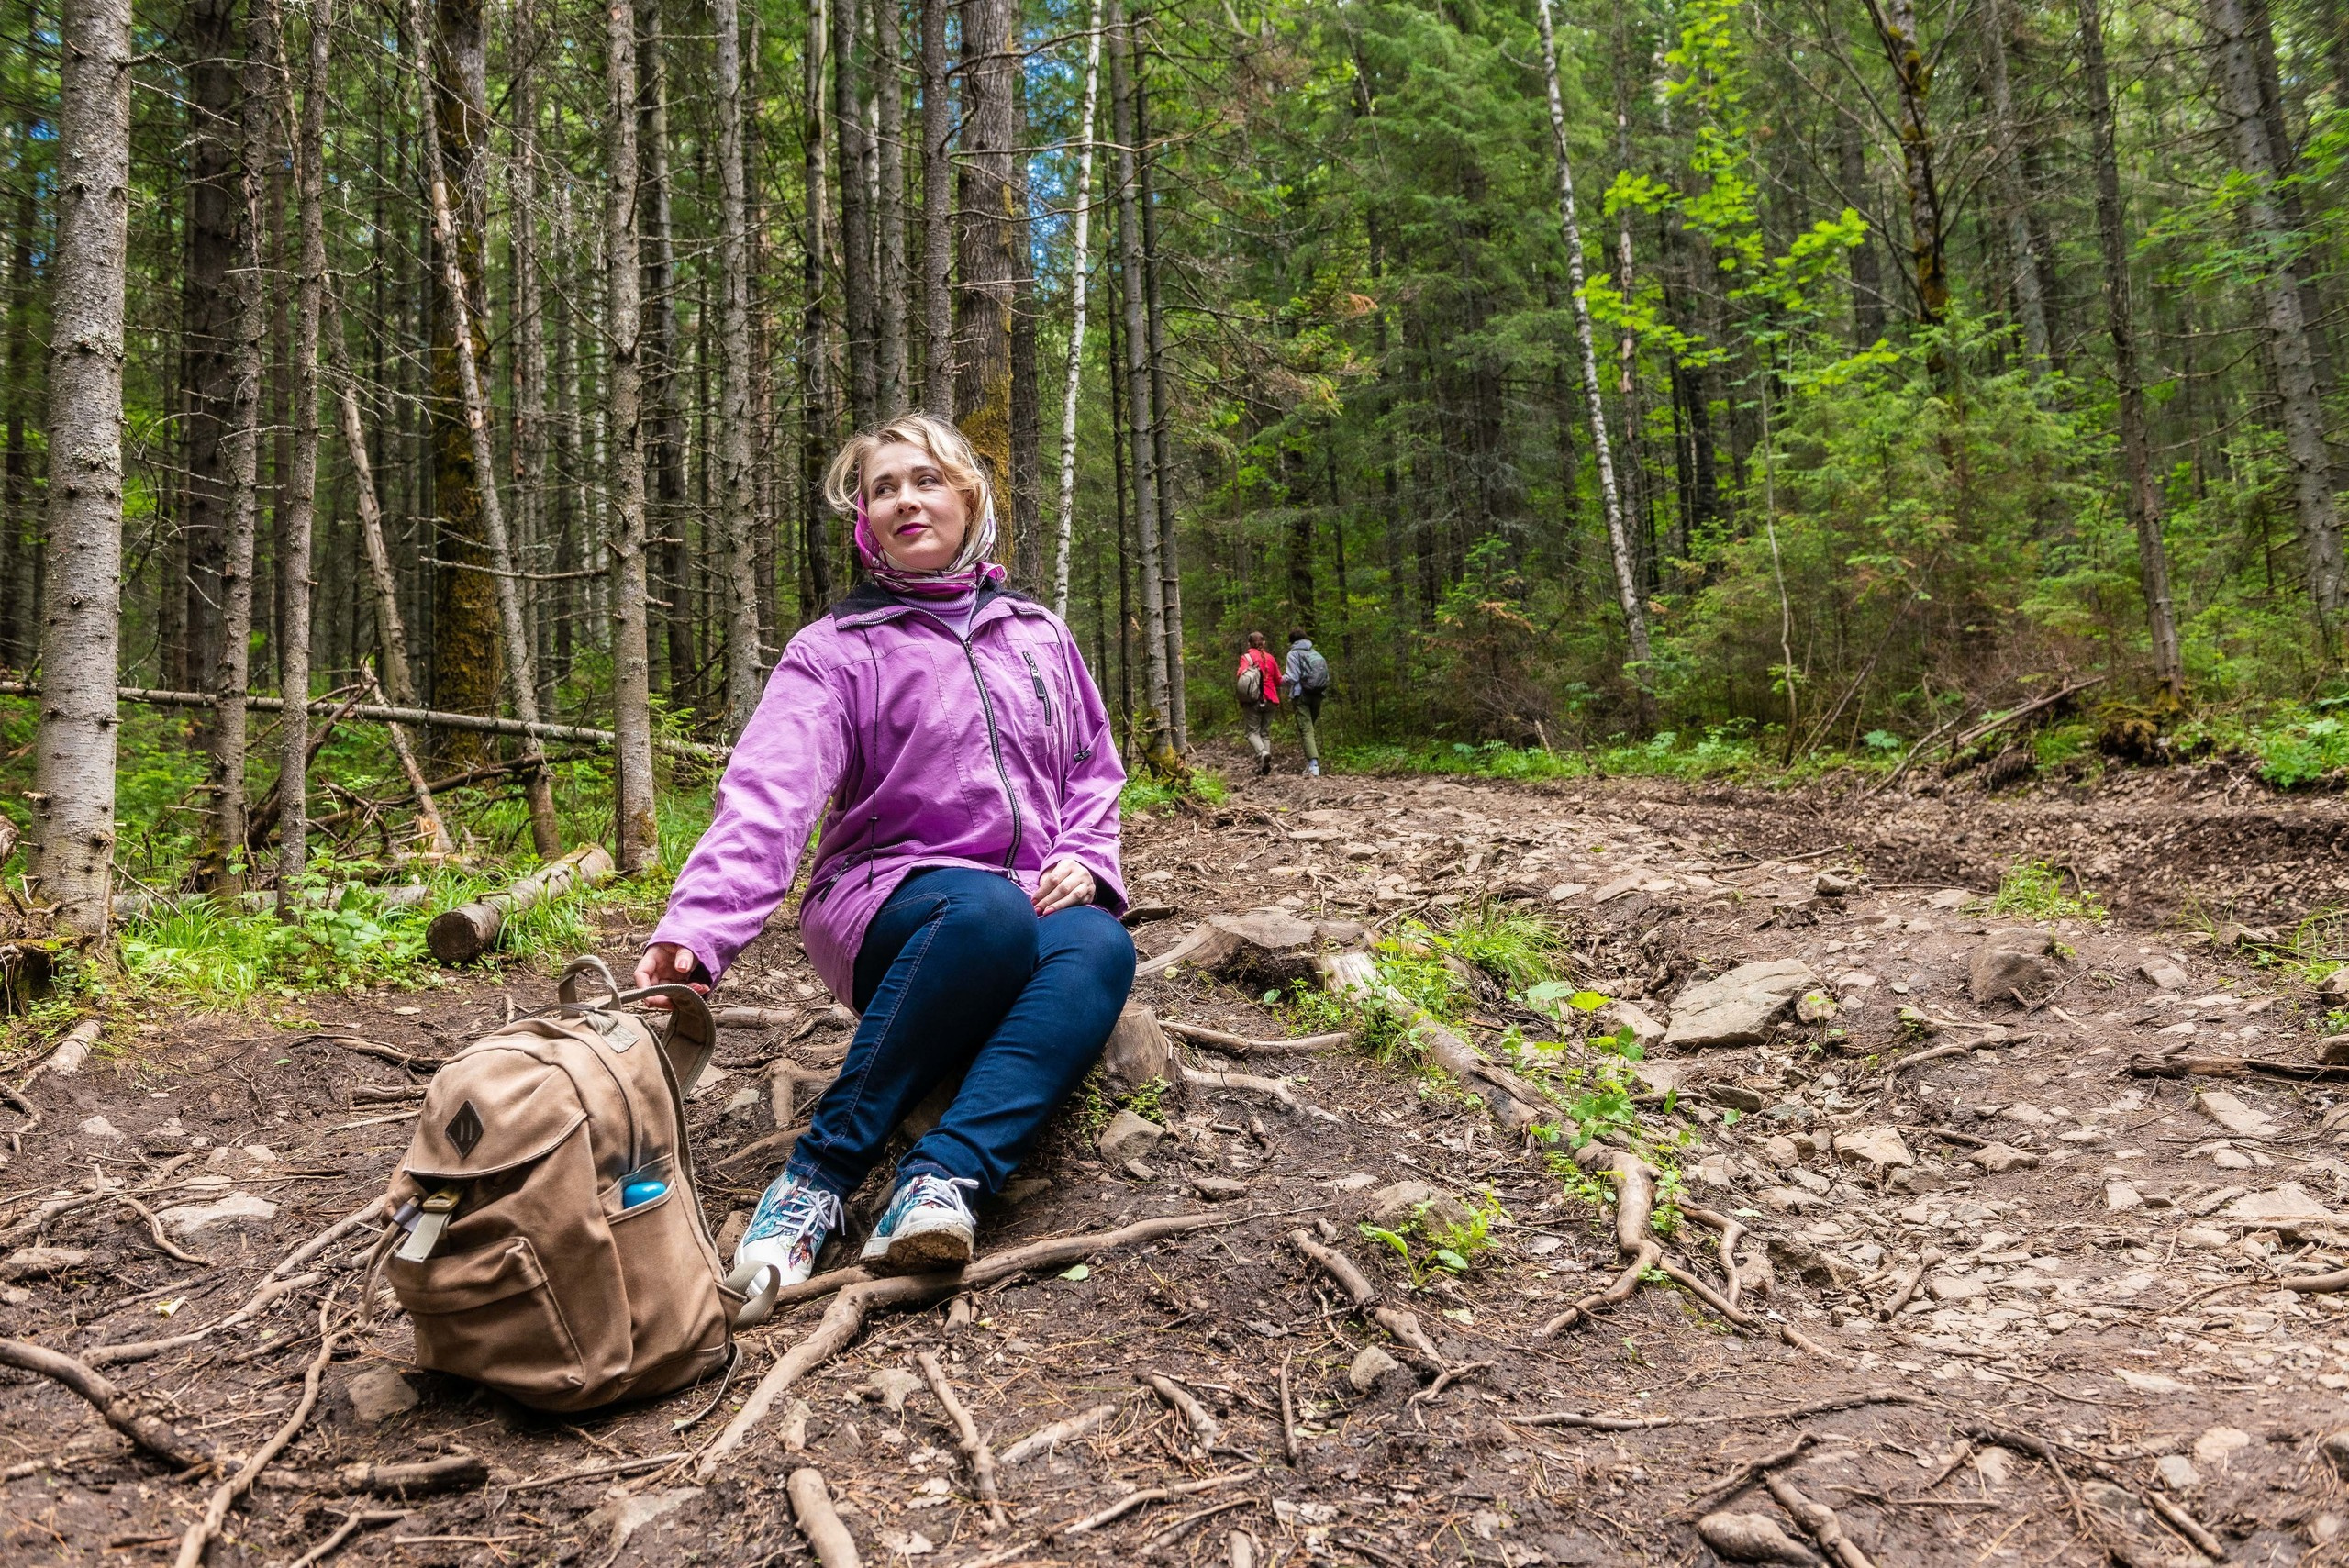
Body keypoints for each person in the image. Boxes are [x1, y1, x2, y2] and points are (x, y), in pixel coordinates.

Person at [635, 413, 1133, 1288]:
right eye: (883, 488)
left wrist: (1087, 855)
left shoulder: (1039, 634)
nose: (906, 499)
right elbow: (769, 797)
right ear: (864, 518)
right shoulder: (836, 650)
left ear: (967, 495)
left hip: (1028, 894)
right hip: (888, 901)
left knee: (1100, 942)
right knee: (985, 913)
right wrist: (697, 930)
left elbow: (1093, 766)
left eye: (926, 479)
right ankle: (815, 1179)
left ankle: (943, 1178)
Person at [1283, 629, 1332, 777]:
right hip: (1318, 694)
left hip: (1301, 695)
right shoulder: (1315, 653)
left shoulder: (1293, 654)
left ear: (1292, 641)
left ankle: (1314, 766)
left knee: (1306, 730)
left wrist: (1277, 680)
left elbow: (1292, 677)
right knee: (1310, 729)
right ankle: (1311, 765)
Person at [1236, 631, 1282, 776]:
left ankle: (1262, 754)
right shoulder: (1271, 658)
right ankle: (1265, 766)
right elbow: (1278, 680)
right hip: (1271, 700)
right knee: (1265, 733)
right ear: (1264, 643)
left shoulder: (1247, 657)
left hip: (1254, 700)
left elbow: (1241, 675)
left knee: (1251, 733)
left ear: (1249, 644)